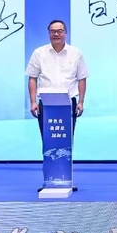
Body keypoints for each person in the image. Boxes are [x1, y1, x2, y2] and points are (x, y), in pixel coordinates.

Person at [25, 19, 89, 189]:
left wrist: (81, 102)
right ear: (48, 33)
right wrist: (33, 101)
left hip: (69, 103)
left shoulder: (76, 53)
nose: (56, 34)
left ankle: (66, 180)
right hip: (46, 104)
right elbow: (32, 78)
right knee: (48, 141)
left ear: (65, 33)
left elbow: (82, 78)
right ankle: (49, 180)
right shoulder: (39, 53)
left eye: (59, 31)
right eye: (52, 31)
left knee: (66, 142)